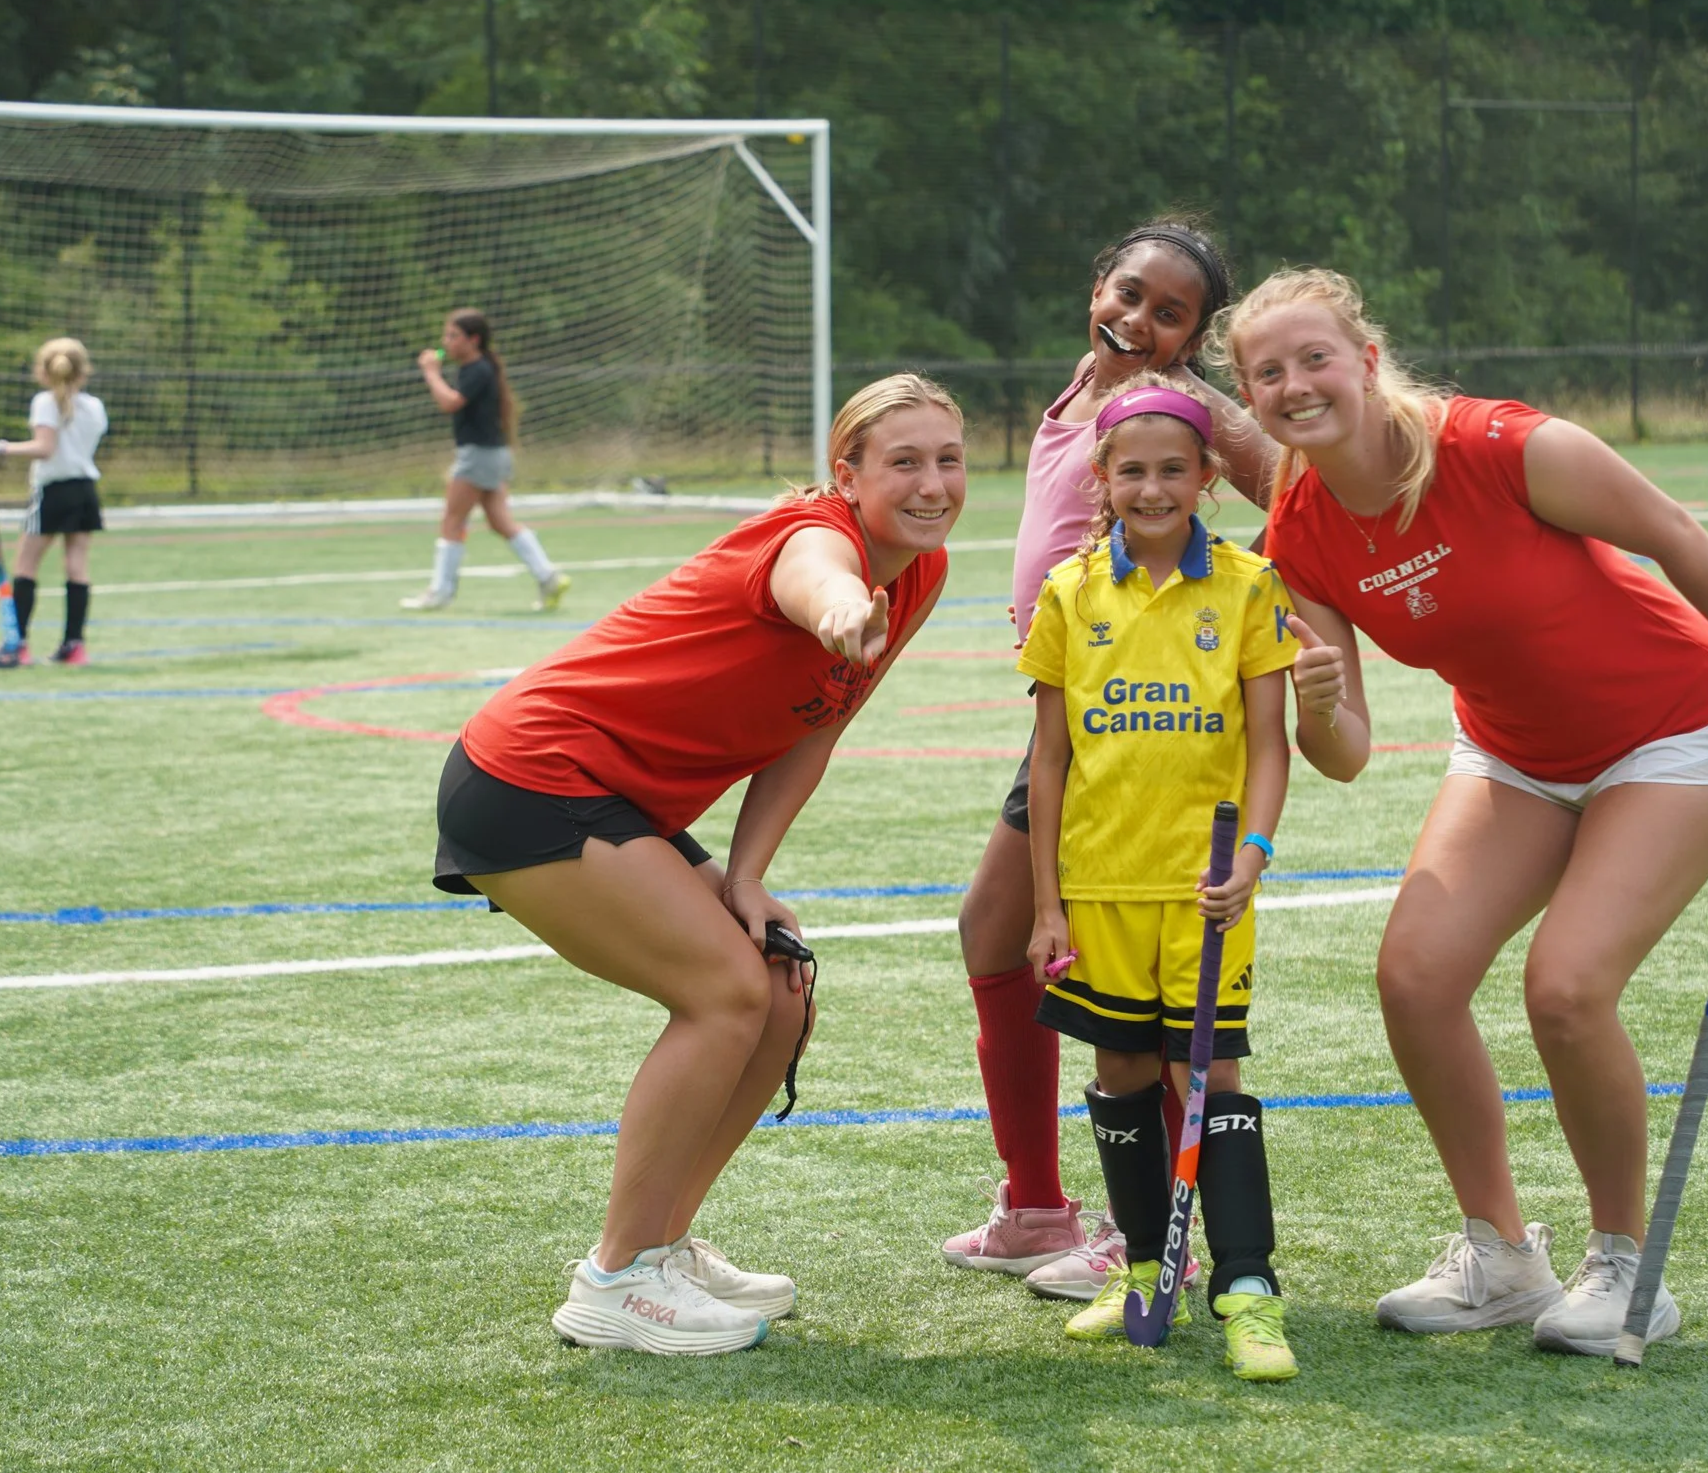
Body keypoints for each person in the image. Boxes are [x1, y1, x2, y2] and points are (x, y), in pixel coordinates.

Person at [1214, 268, 1708, 1359]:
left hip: (1666, 732)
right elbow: (1347, 754)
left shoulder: (1503, 448)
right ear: (1251, 401)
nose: (1293, 385)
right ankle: (1500, 1257)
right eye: (1266, 374)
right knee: (1413, 975)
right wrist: (1316, 701)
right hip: (1512, 753)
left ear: (1365, 360)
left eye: (1313, 358)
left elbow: (1674, 535)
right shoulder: (1298, 529)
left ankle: (1623, 1266)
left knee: (1564, 987)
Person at [432, 374, 964, 1355]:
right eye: (903, 464)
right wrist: (843, 609)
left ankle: (660, 1242)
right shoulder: (820, 545)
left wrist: (748, 875)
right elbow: (817, 582)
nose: (932, 484)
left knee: (778, 981)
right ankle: (615, 1280)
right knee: (724, 990)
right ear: (844, 475)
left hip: (612, 797)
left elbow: (815, 727)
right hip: (531, 776)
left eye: (947, 460)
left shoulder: (918, 574)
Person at [941, 217, 1279, 1301]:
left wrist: (1227, 610)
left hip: (1142, 733)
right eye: (1128, 294)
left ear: (1192, 338)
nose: (1136, 321)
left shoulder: (1182, 416)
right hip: (1069, 719)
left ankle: (1154, 1237)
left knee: (1142, 997)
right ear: (1099, 282)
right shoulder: (1079, 389)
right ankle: (1038, 1205)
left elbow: (1297, 497)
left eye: (1166, 315)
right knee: (995, 937)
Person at [1020, 376, 1299, 1381]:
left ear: (1205, 477)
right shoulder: (1069, 592)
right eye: (1129, 471)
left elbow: (1269, 744)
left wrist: (1252, 858)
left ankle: (1247, 1290)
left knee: (1210, 1077)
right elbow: (1046, 761)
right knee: (1121, 1078)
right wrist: (1046, 903)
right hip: (1098, 892)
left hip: (1205, 892)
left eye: (1170, 470)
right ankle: (1140, 1269)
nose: (1150, 488)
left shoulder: (1247, 584)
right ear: (1099, 478)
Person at [401, 308, 569, 612]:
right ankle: (549, 577)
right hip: (492, 455)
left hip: (479, 455)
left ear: (473, 339)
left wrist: (430, 373)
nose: (446, 342)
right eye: (446, 335)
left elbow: (451, 403)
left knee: (452, 521)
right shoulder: (476, 368)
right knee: (500, 521)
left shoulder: (477, 369)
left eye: (453, 336)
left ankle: (440, 592)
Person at [0, 338, 109, 667]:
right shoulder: (95, 406)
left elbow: (45, 448)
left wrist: (4, 448)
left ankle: (16, 646)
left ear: (44, 371)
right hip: (85, 489)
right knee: (76, 566)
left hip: (53, 491)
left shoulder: (45, 402)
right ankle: (73, 646)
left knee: (25, 566)